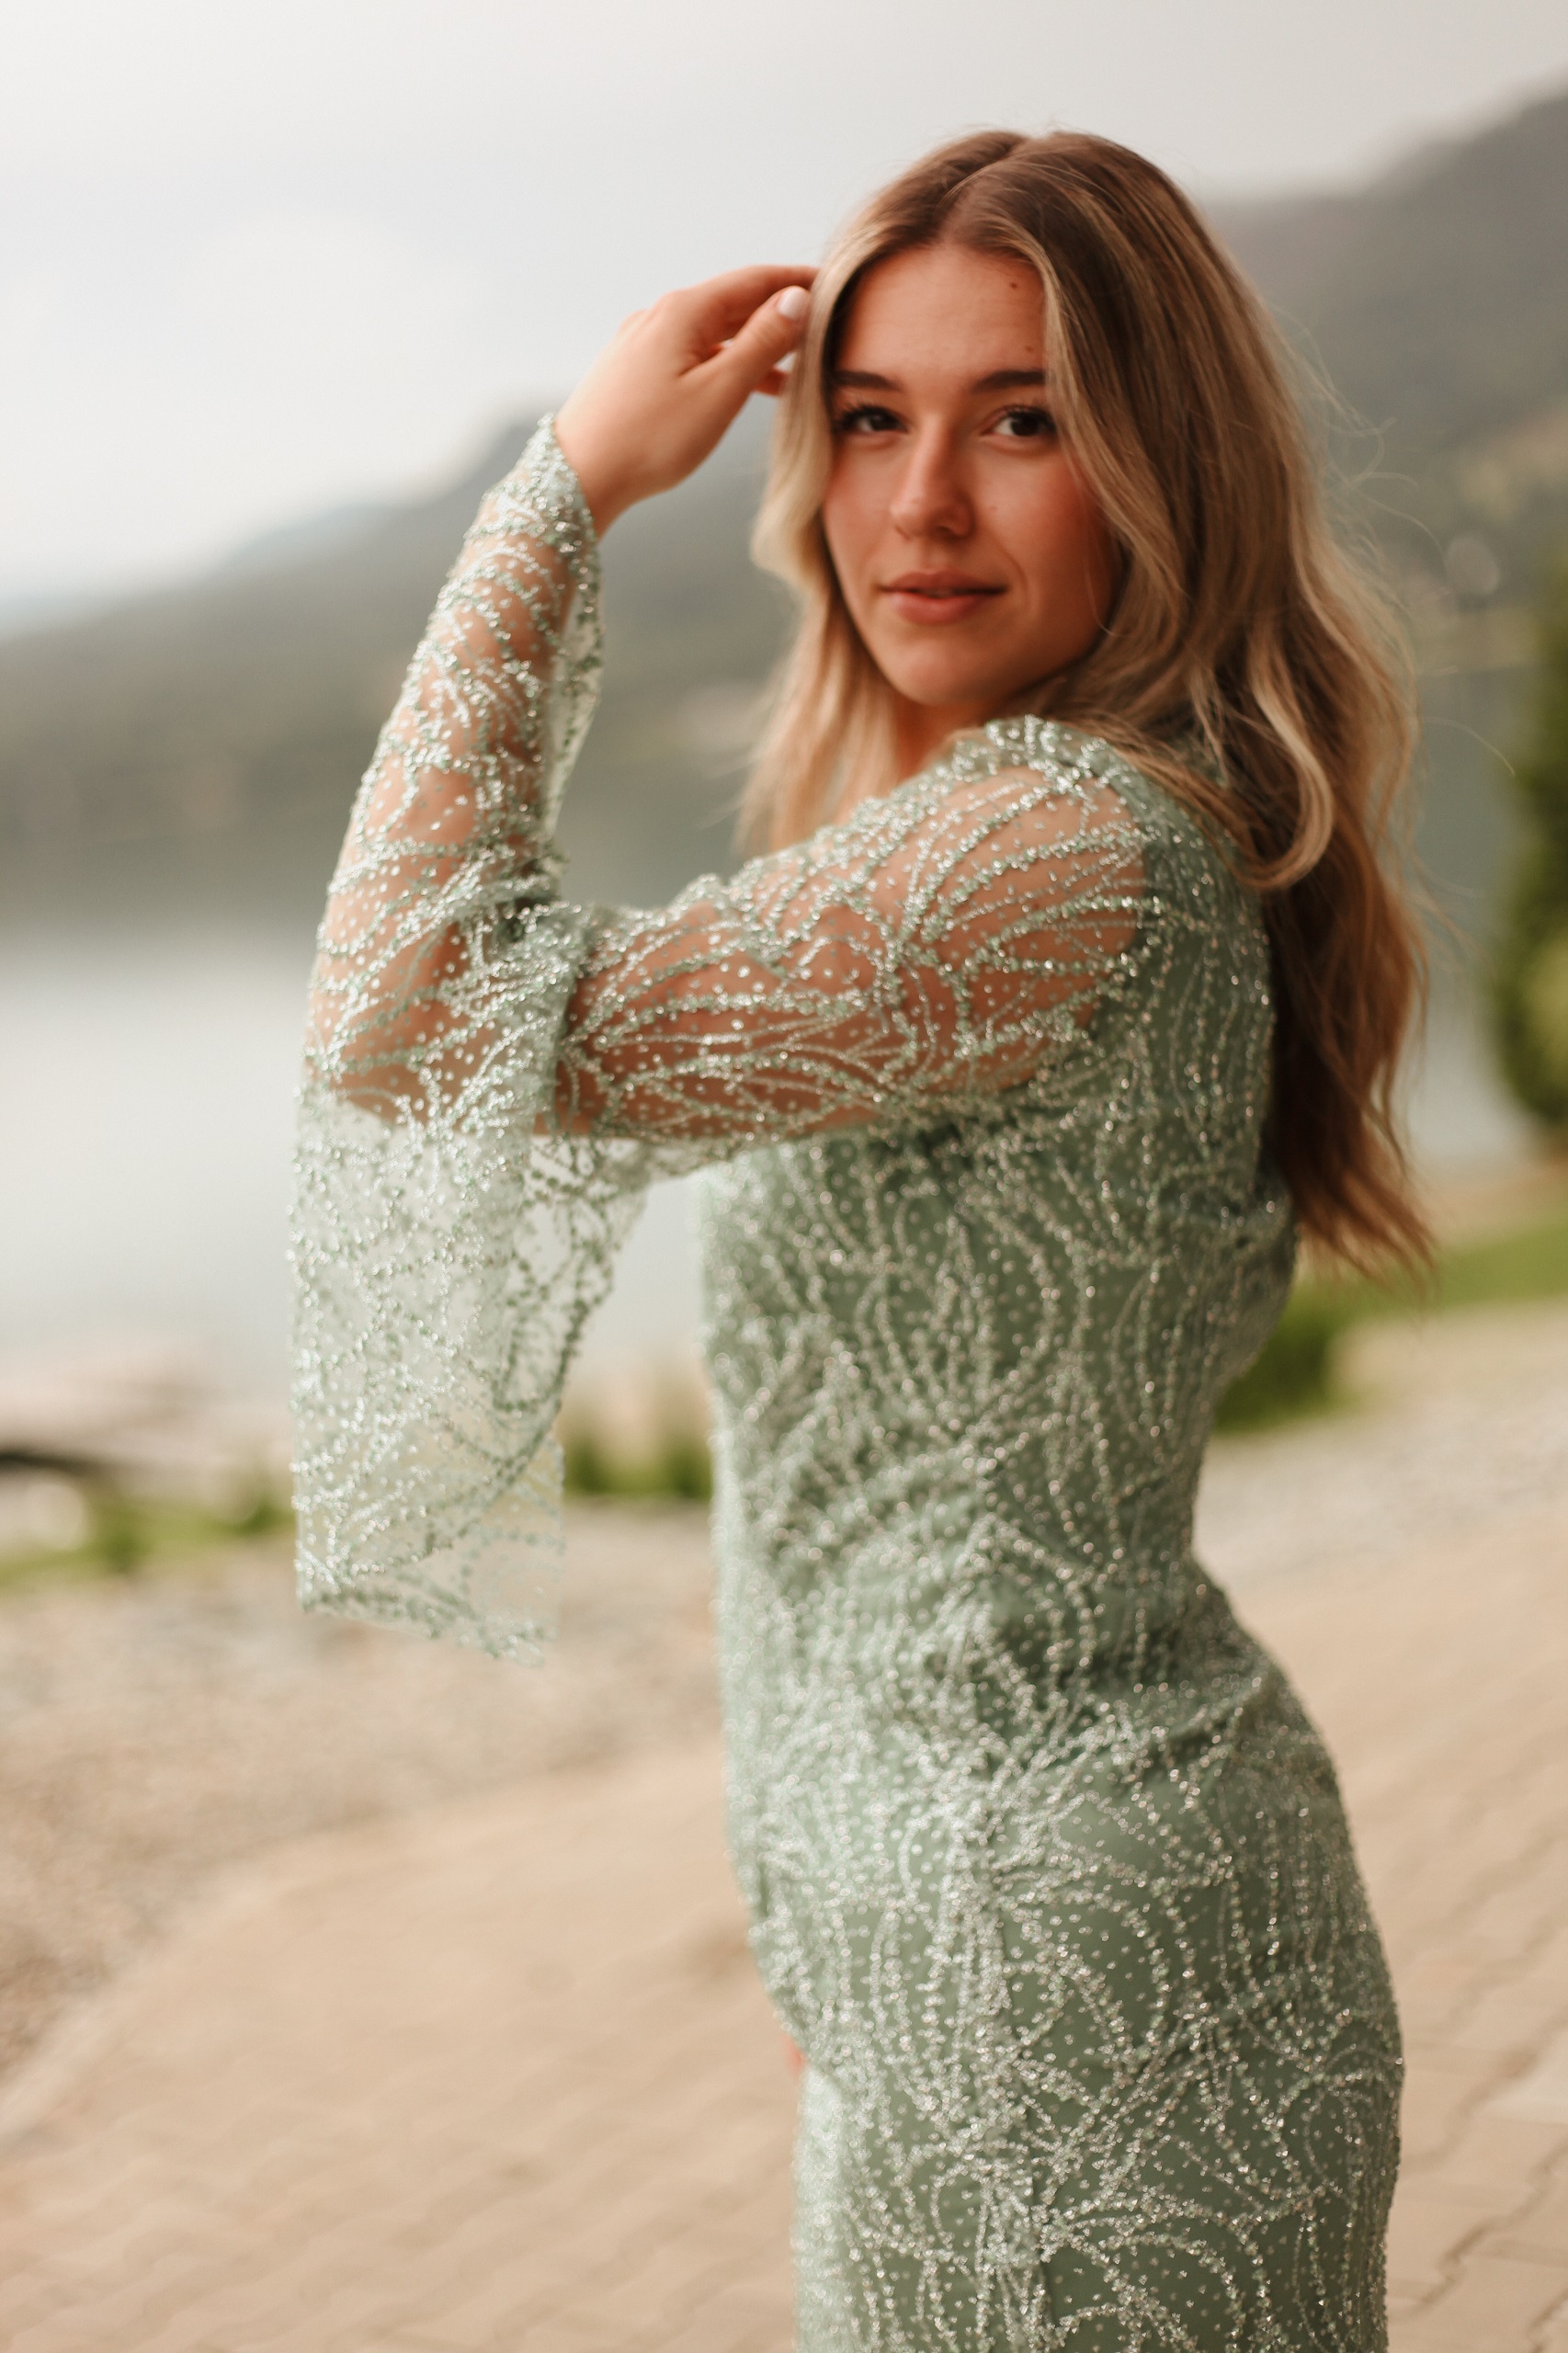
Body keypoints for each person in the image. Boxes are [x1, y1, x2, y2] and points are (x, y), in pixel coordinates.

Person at [292, 130, 1428, 2351]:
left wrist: (561, 491)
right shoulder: (1084, 823)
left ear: (1162, 465)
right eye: (872, 420)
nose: (919, 504)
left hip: (1047, 1988)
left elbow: (409, 1011)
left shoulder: (1050, 853)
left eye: (1021, 421)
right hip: (1030, 1950)